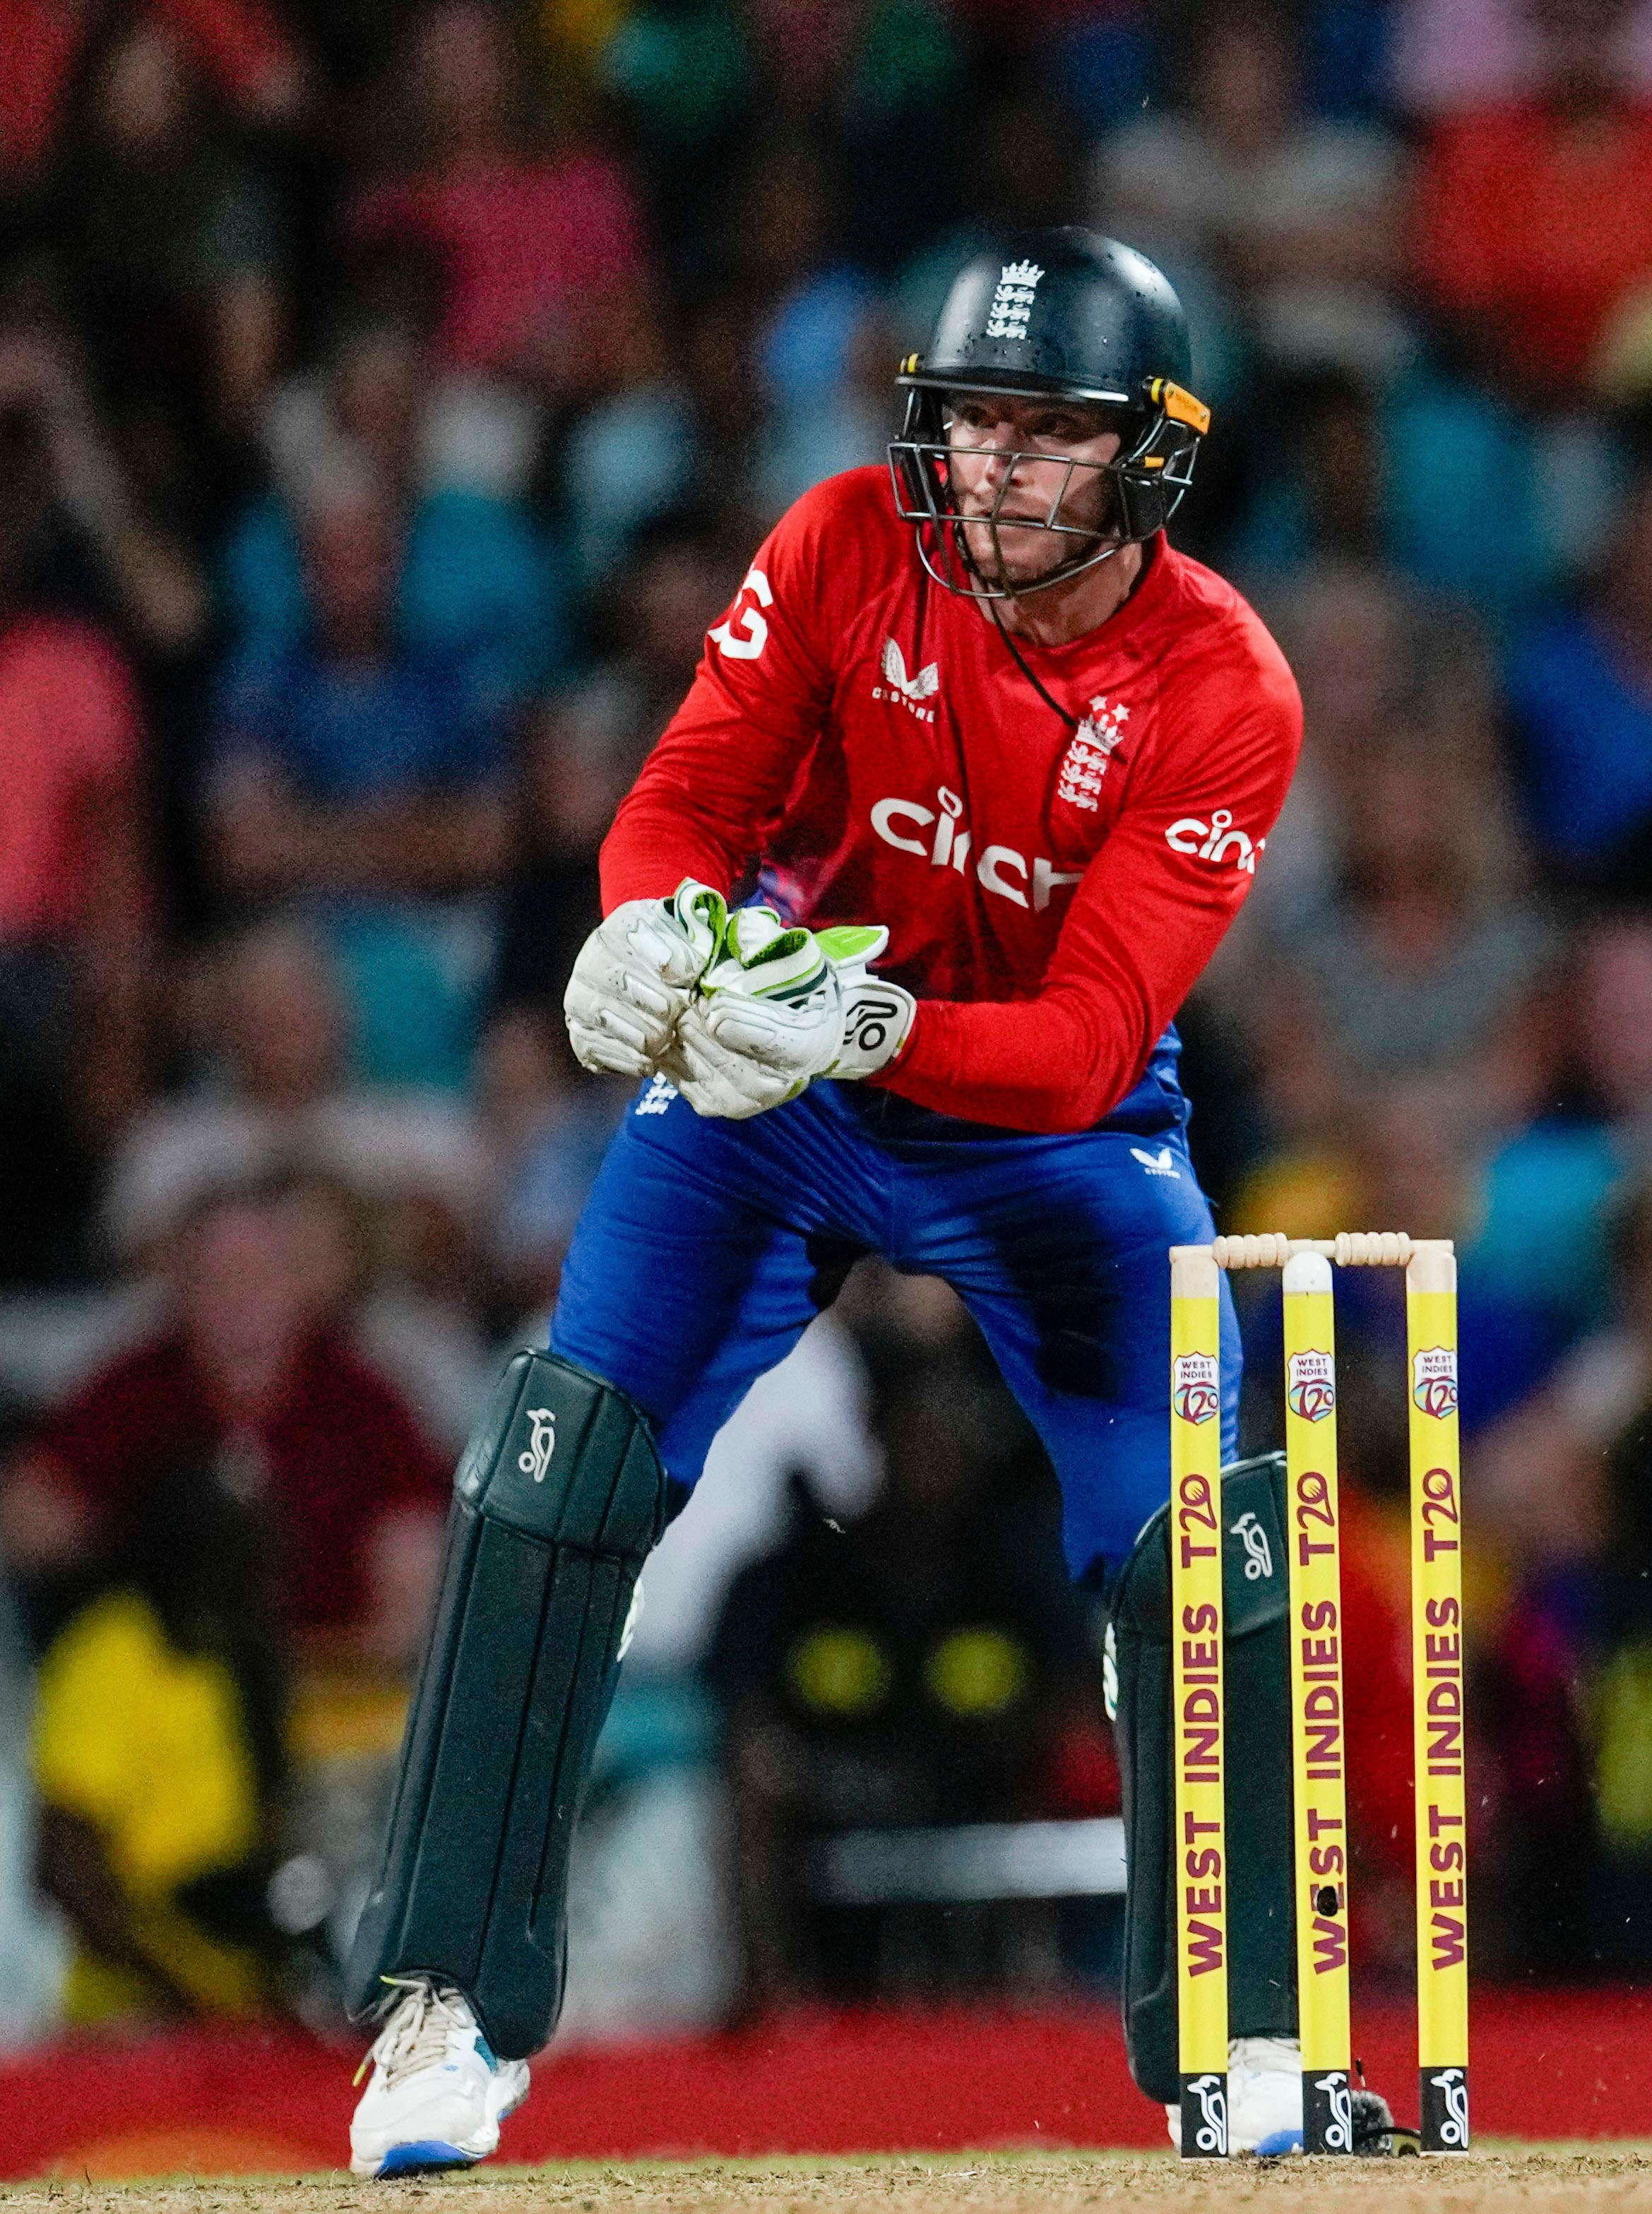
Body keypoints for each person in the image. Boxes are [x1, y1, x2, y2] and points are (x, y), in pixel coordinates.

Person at [338, 230, 1301, 2177]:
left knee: (1207, 1520)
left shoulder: (1226, 685)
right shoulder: (852, 537)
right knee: (554, 1462)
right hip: (779, 1089)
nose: (998, 478)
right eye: (973, 430)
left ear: (1154, 459)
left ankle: (1246, 2028)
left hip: (1048, 1130)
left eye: (1053, 441)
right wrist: (638, 927)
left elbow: (1087, 1029)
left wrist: (863, 1019)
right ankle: (439, 2019)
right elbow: (689, 796)